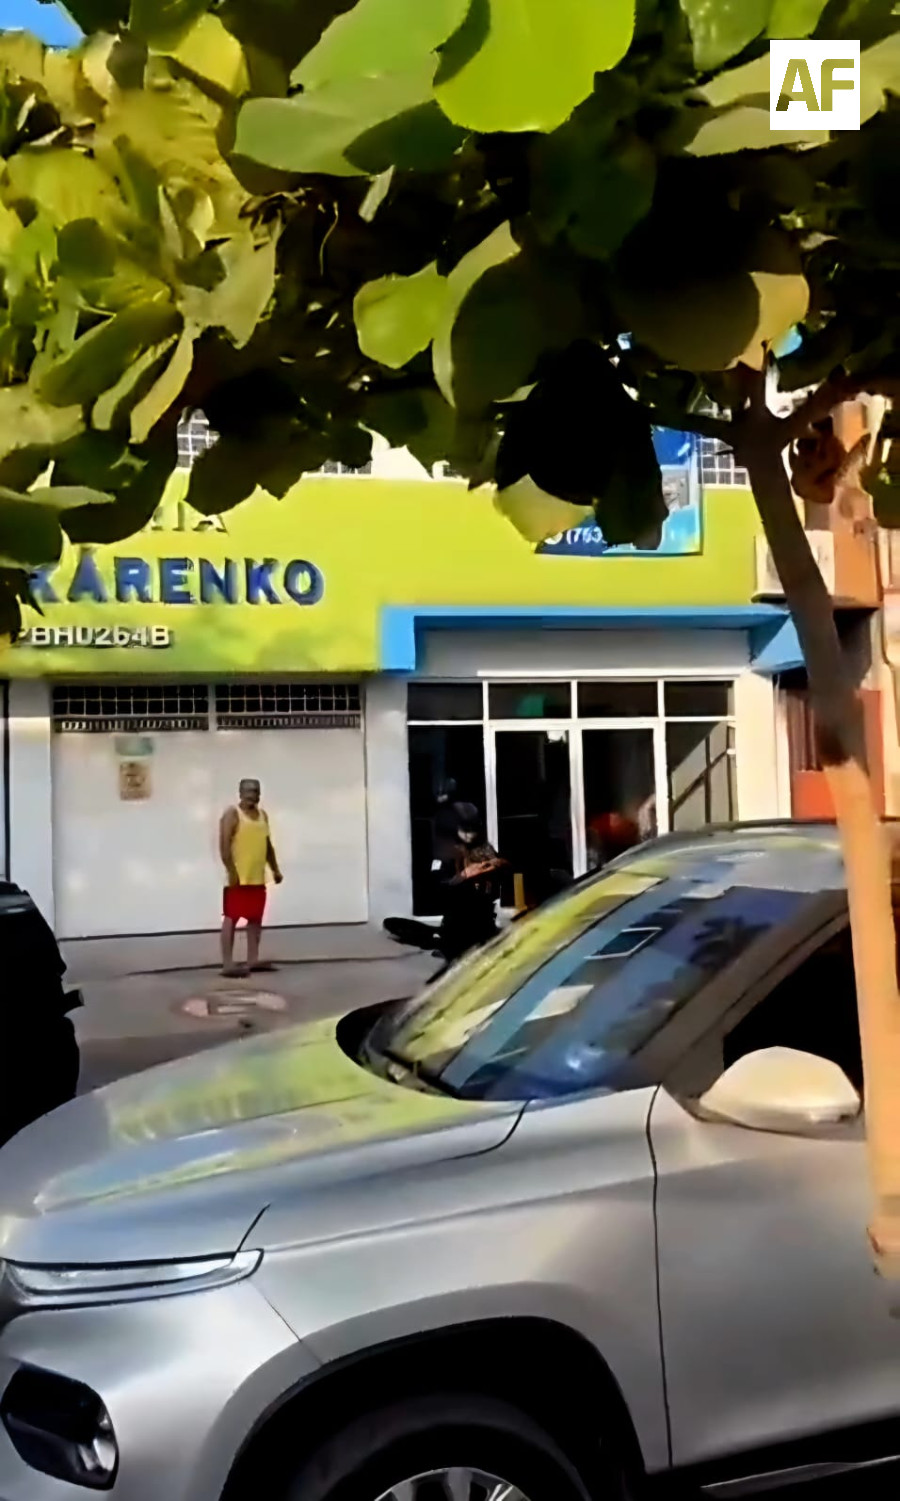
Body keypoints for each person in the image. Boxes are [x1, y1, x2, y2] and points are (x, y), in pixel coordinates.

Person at [219, 778, 283, 977]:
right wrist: (231, 871)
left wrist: (275, 869)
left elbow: (267, 845)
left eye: (255, 791)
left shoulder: (263, 816)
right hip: (239, 878)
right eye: (247, 791)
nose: (252, 795)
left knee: (255, 919)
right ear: (240, 793)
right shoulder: (232, 814)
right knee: (231, 918)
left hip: (257, 878)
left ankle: (252, 959)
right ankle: (227, 963)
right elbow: (224, 845)